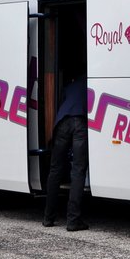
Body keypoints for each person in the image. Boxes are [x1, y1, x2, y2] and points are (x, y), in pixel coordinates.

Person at [43, 72, 89, 231]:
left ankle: (48, 218)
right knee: (78, 170)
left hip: (62, 123)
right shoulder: (90, 83)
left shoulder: (71, 85)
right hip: (80, 123)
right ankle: (73, 220)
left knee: (55, 169)